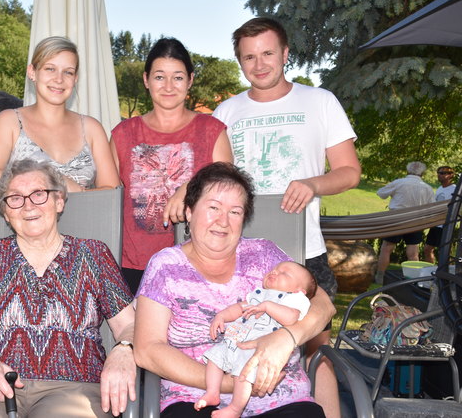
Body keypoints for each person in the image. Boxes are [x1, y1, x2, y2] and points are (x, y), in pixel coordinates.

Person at [211, 17, 361, 418]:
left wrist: (313, 184)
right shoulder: (225, 112)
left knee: (317, 354)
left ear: (285, 54)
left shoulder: (320, 101)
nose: (259, 65)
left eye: (267, 54)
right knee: (238, 348)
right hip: (239, 256)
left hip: (301, 256)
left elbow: (350, 171)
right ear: (239, 61)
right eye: (248, 57)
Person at [0, 159, 136, 418]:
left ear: (59, 201)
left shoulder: (93, 254)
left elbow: (128, 325)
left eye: (39, 194)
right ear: (6, 212)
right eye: (15, 198)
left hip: (74, 387)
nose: (28, 205)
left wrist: (124, 350)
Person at [134, 162, 334, 418]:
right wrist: (232, 383)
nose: (223, 221)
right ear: (189, 211)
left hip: (279, 396)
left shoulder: (264, 254)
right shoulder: (166, 266)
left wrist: (287, 338)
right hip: (196, 397)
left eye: (235, 212)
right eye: (213, 207)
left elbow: (323, 305)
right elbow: (148, 349)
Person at [110, 37, 233, 294]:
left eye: (177, 77)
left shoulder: (212, 131)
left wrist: (190, 186)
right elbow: (107, 196)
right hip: (134, 267)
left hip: (197, 264)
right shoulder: (123, 133)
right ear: (146, 80)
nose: (168, 86)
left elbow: (229, 190)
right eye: (159, 77)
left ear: (190, 80)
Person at [0, 36, 120, 196]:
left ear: (75, 79)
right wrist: (56, 180)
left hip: (85, 220)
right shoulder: (10, 122)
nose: (59, 79)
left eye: (68, 72)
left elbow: (112, 193)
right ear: (32, 72)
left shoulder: (91, 128)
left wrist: (79, 192)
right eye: (50, 69)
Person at [196, 261, 319, 418]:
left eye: (284, 273)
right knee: (214, 358)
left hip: (260, 348)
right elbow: (240, 308)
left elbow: (290, 318)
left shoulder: (294, 299)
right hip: (235, 340)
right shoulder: (258, 294)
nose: (275, 272)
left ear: (299, 290)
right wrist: (222, 316)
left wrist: (268, 306)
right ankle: (212, 392)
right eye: (274, 269)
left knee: (244, 372)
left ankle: (235, 409)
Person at [375, 161, 435, 279]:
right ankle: (414, 278)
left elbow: (381, 193)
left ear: (407, 171)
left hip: (396, 219)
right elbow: (431, 207)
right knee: (413, 252)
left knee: (387, 248)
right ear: (422, 173)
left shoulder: (399, 183)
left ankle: (380, 277)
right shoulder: (427, 188)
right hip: (415, 221)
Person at [424, 166, 457, 263]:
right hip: (435, 224)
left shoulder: (454, 189)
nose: (439, 175)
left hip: (445, 224)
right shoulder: (439, 188)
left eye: (443, 173)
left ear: (451, 175)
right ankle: (430, 272)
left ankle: (445, 273)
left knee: (444, 252)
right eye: (438, 172)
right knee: (427, 249)